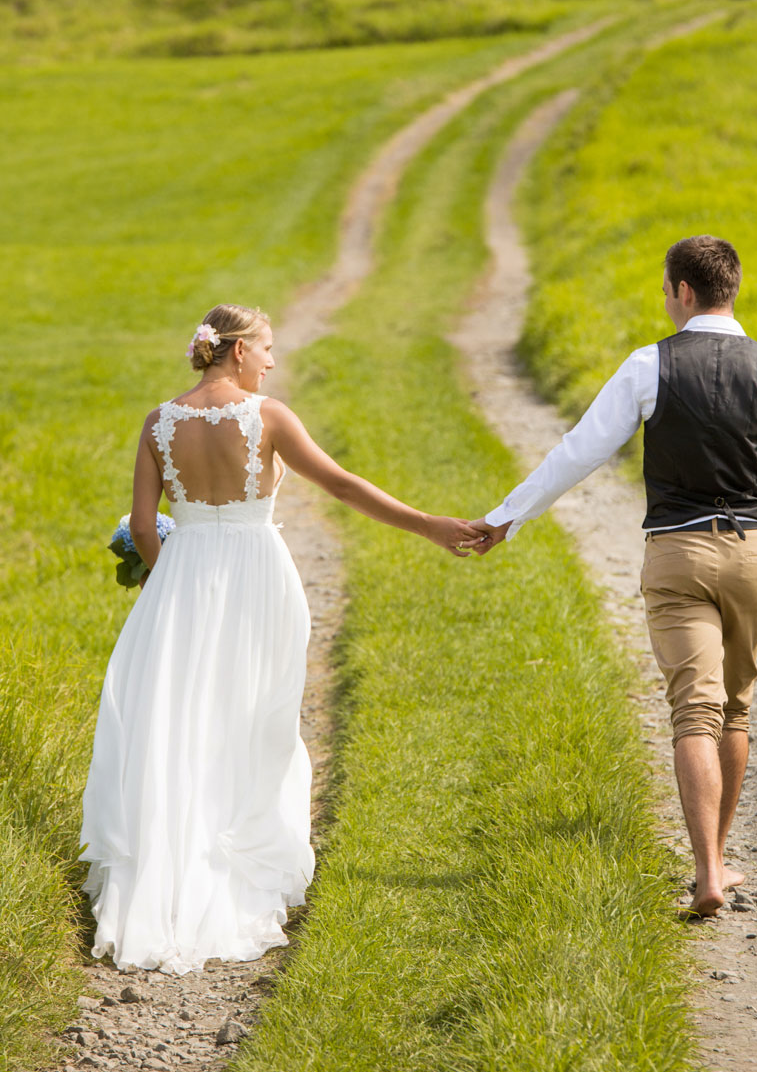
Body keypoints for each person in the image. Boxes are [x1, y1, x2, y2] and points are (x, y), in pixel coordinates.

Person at [80, 304, 480, 975]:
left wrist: (166, 577)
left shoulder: (159, 422)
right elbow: (344, 486)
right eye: (266, 349)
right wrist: (430, 525)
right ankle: (238, 870)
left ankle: (166, 870)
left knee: (177, 722)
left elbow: (145, 527)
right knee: (254, 723)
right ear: (236, 351)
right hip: (257, 581)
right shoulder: (267, 417)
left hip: (180, 583)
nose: (271, 361)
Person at [471, 236, 757, 918]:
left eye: (665, 288)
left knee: (693, 709)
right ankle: (717, 857)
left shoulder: (648, 366)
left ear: (683, 290)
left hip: (677, 554)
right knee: (735, 706)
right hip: (752, 555)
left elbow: (580, 451)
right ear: (729, 289)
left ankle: (707, 869)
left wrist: (508, 517)